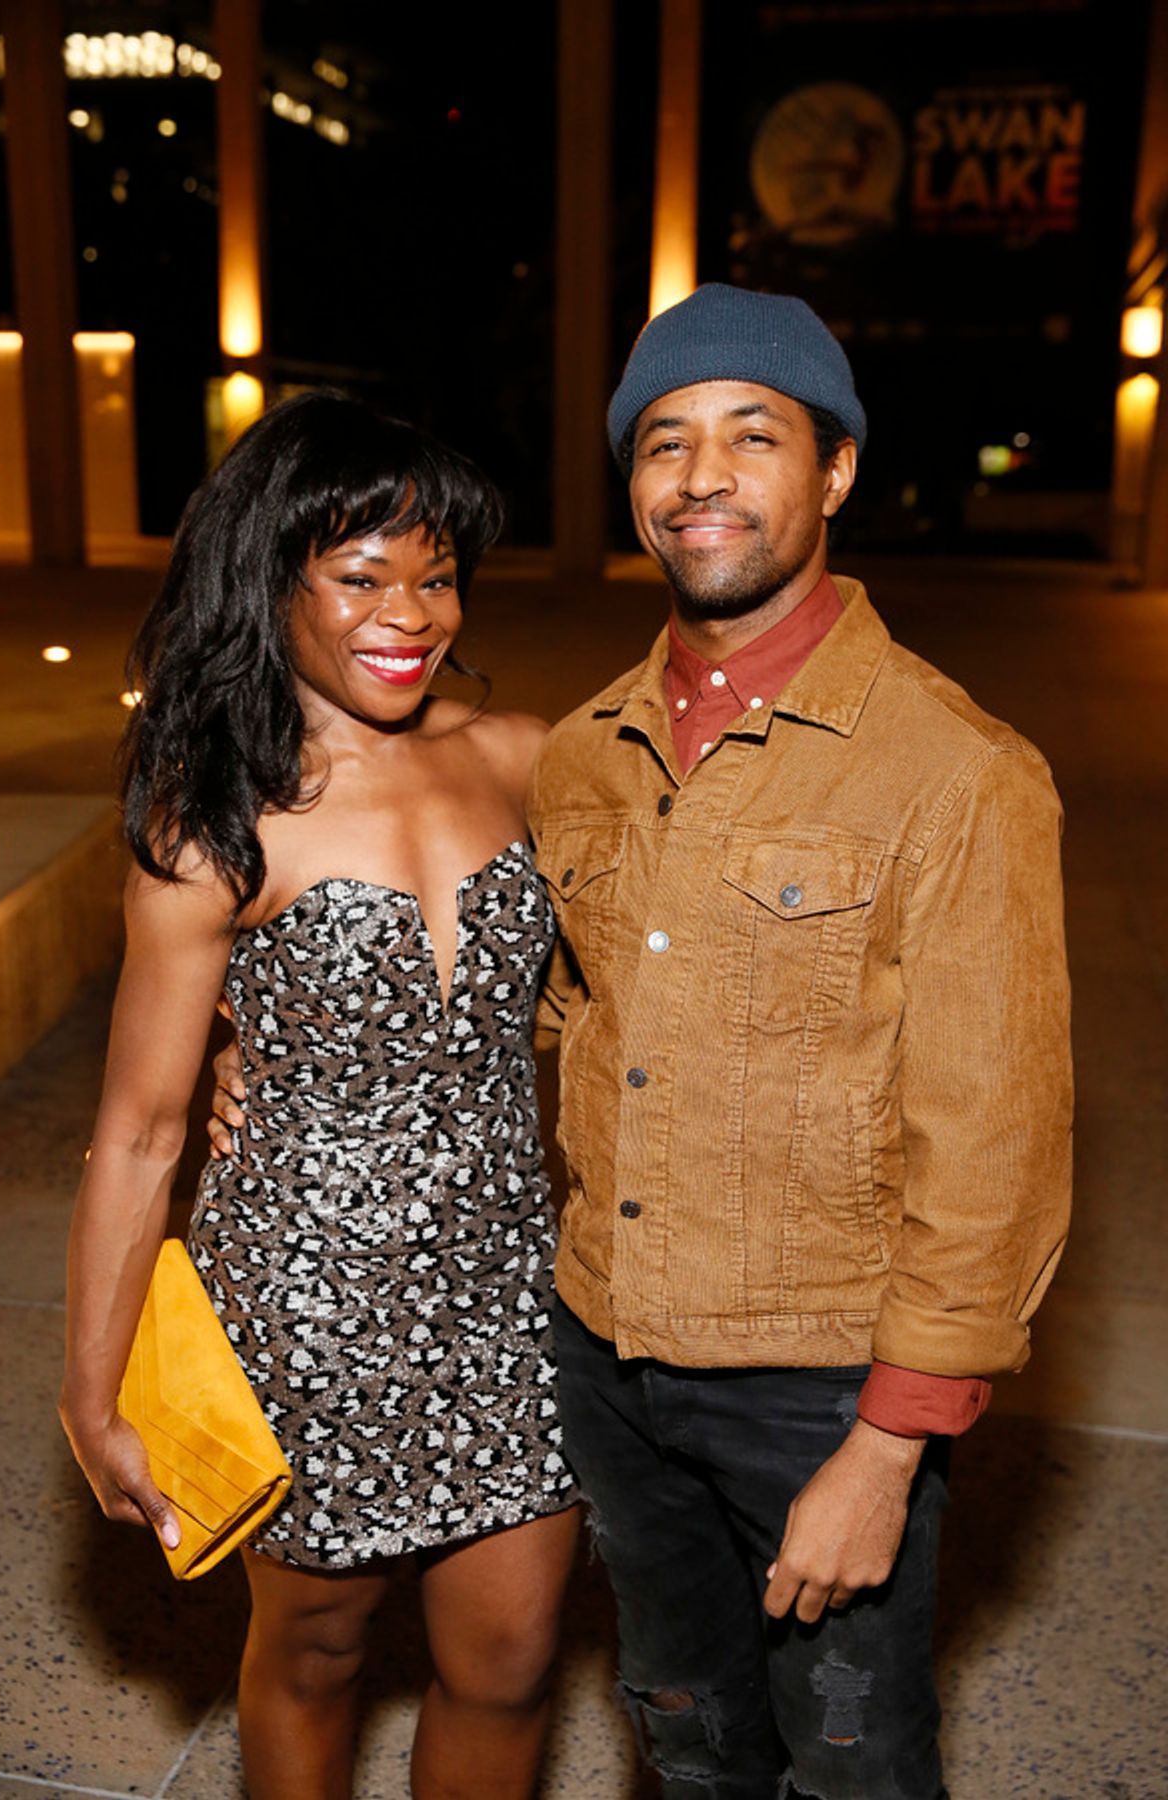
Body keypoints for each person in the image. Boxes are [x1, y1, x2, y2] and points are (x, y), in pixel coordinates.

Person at [526, 285, 1072, 1798]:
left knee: (853, 1760)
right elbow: (575, 1018)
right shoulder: (585, 753)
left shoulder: (956, 773)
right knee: (684, 1728)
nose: (698, 475)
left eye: (750, 436)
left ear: (833, 473)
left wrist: (891, 1447)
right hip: (611, 1352)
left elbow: (995, 1140)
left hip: (820, 1387)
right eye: (663, 442)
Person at [59, 392, 579, 1800]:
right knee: (317, 1649)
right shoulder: (213, 822)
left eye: (437, 575)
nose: (408, 613)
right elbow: (138, 1129)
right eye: (359, 576)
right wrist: (90, 1393)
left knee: (516, 1656)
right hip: (303, 1304)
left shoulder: (525, 758)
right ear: (270, 582)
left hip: (510, 1288)